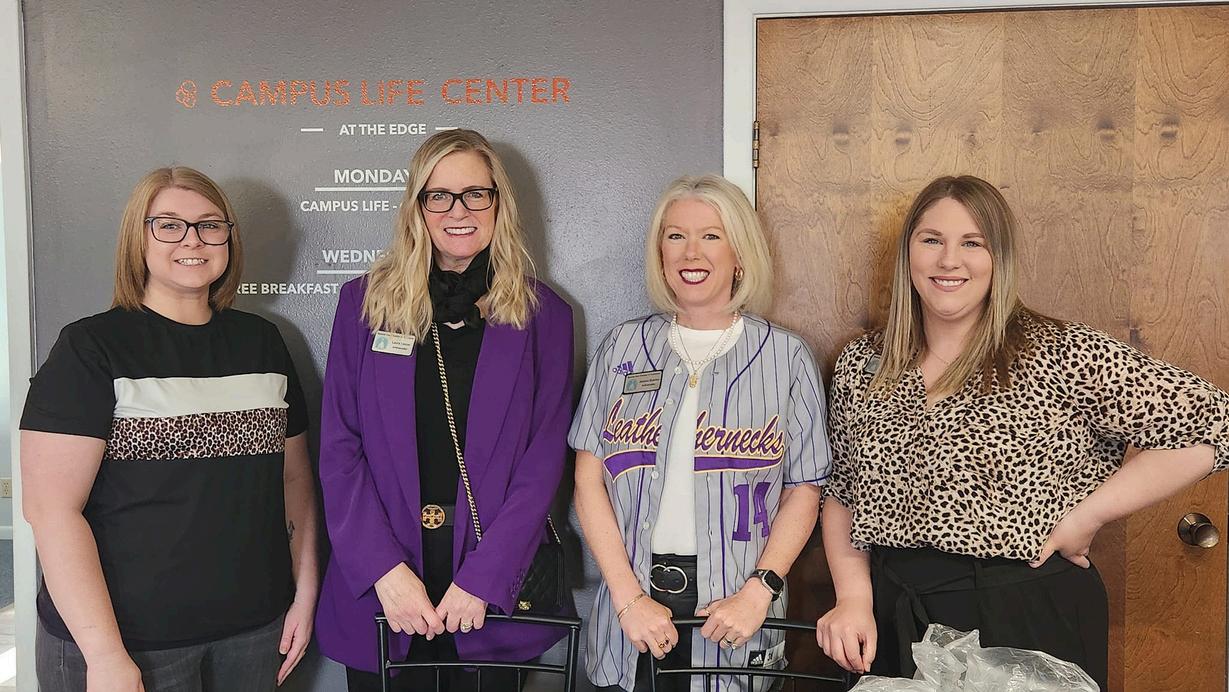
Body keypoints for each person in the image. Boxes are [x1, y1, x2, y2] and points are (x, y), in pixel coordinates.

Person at [816, 175, 1229, 689]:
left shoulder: (1058, 351)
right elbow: (842, 491)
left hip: (1028, 615)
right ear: (908, 253)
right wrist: (853, 597)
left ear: (1000, 258)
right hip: (898, 615)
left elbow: (1216, 426)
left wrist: (1088, 515)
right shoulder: (864, 364)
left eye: (973, 243)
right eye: (932, 240)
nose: (949, 260)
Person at [21, 166, 318, 691]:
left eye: (210, 225)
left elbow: (294, 480)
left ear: (228, 238)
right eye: (169, 225)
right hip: (129, 643)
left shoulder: (262, 342)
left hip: (253, 633)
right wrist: (105, 655)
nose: (193, 239)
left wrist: (305, 591)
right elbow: (51, 510)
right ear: (138, 239)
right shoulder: (90, 348)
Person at [314, 129, 574, 691]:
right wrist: (384, 573)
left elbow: (543, 461)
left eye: (475, 194)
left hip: (489, 597)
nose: (458, 211)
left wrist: (485, 578)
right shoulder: (363, 304)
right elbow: (339, 449)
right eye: (439, 196)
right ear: (417, 207)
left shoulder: (543, 315)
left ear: (499, 203)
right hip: (385, 592)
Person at [570, 174, 830, 692]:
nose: (692, 252)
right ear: (660, 252)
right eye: (676, 236)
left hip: (736, 607)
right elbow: (587, 480)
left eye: (711, 235)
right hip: (633, 605)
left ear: (740, 253)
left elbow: (804, 488)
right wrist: (628, 598)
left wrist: (759, 591)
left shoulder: (786, 357)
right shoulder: (623, 347)